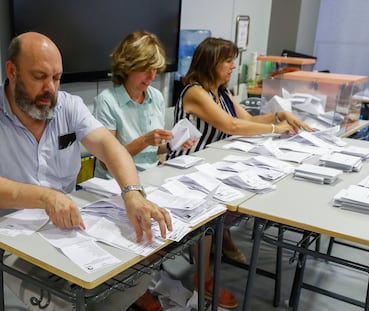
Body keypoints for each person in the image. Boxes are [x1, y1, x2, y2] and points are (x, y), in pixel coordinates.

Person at [0, 32, 172, 311]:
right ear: (12, 71)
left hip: (71, 227)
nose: (50, 88)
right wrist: (45, 197)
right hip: (14, 238)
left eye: (56, 78)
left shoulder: (68, 105)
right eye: (40, 76)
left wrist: (132, 193)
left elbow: (108, 145)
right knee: (63, 305)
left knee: (137, 277)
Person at [168, 37, 313, 271]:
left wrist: (281, 115)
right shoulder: (195, 92)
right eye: (227, 61)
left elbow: (247, 120)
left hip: (215, 165)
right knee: (212, 211)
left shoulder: (222, 91)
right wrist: (276, 128)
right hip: (190, 169)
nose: (233, 66)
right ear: (210, 63)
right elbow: (231, 127)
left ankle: (220, 233)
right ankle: (203, 276)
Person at [93, 31, 197, 311]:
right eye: (145, 69)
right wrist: (144, 141)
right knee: (149, 230)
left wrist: (174, 144)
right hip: (115, 188)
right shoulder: (108, 101)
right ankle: (137, 287)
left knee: (188, 218)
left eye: (156, 70)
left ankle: (143, 283)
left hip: (152, 179)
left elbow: (158, 153)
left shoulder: (153, 96)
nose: (152, 77)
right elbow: (106, 162)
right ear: (127, 65)